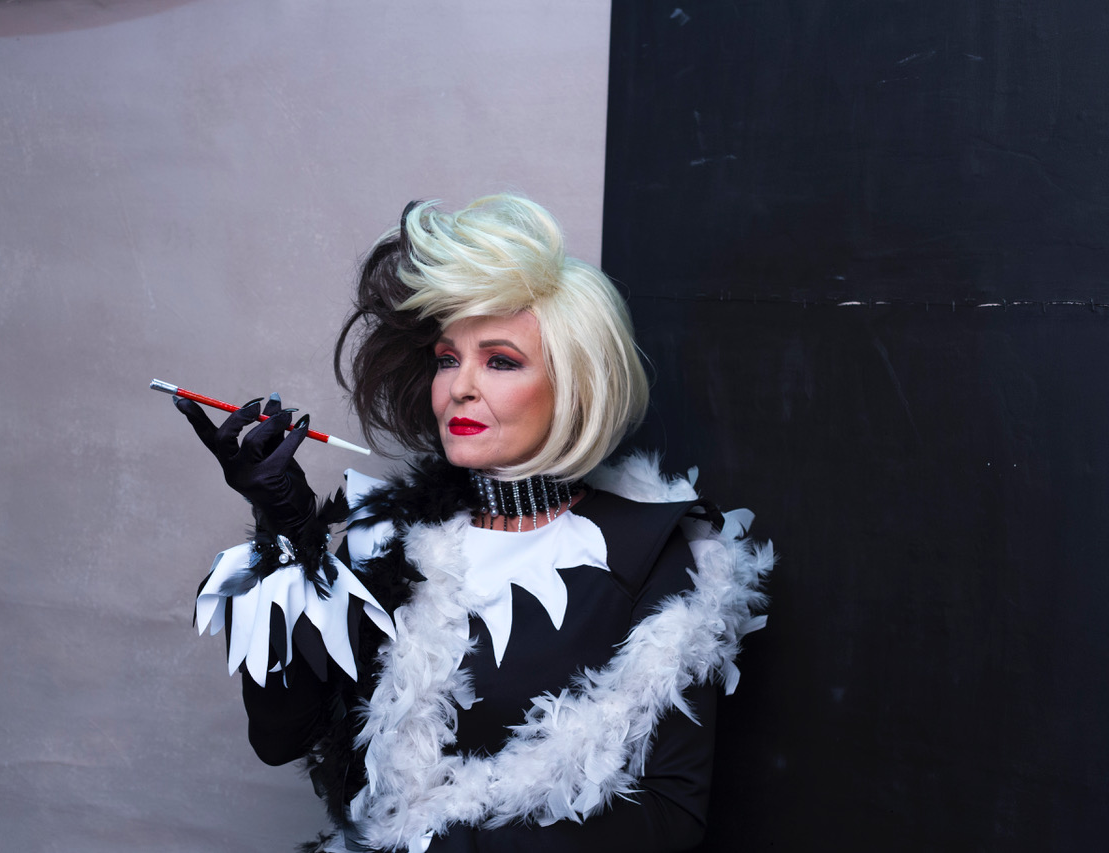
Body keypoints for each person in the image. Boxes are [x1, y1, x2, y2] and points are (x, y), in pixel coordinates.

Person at [176, 195, 772, 852]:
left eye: (500, 360)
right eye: (446, 358)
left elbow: (669, 815)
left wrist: (443, 846)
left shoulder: (651, 551)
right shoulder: (388, 537)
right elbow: (282, 735)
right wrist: (288, 534)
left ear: (576, 384)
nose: (459, 386)